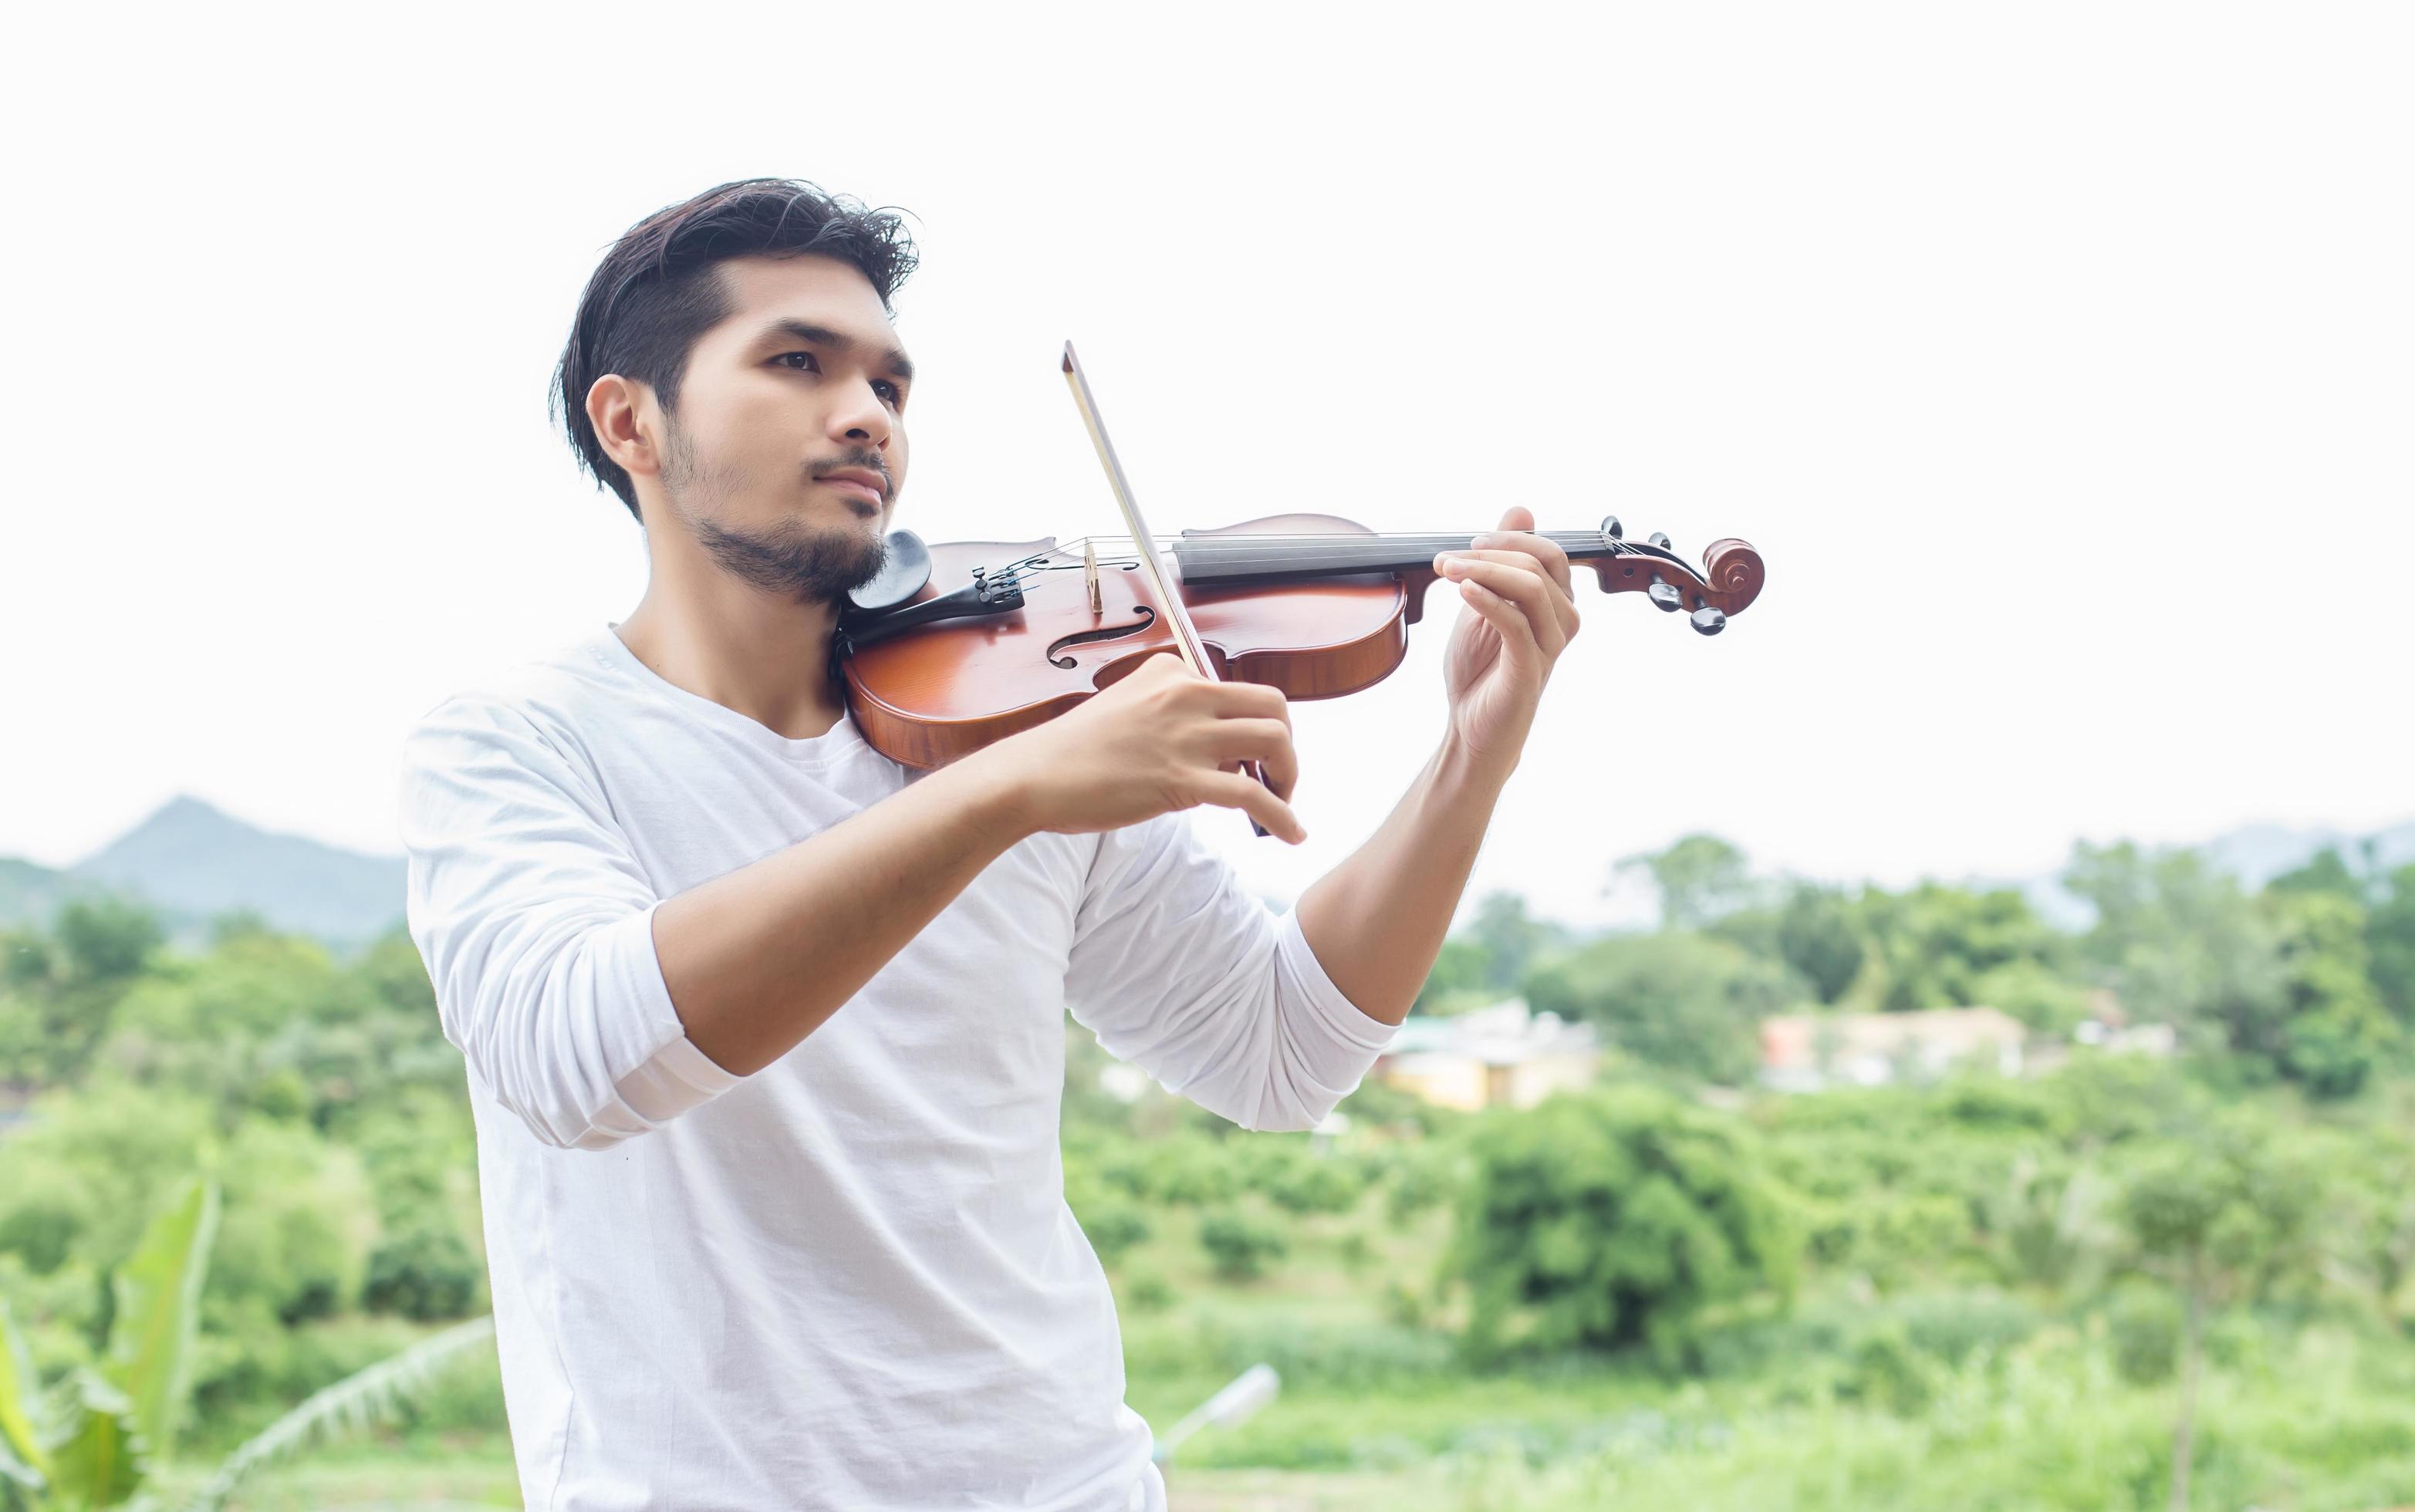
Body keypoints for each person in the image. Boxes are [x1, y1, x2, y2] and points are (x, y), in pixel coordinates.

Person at [397, 177, 1582, 1511]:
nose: (864, 415)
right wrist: (1003, 794)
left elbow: (1281, 1051)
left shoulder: (1013, 726)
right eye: (795, 363)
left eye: (890, 387)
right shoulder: (517, 743)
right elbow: (579, 1059)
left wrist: (1470, 759)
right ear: (634, 422)